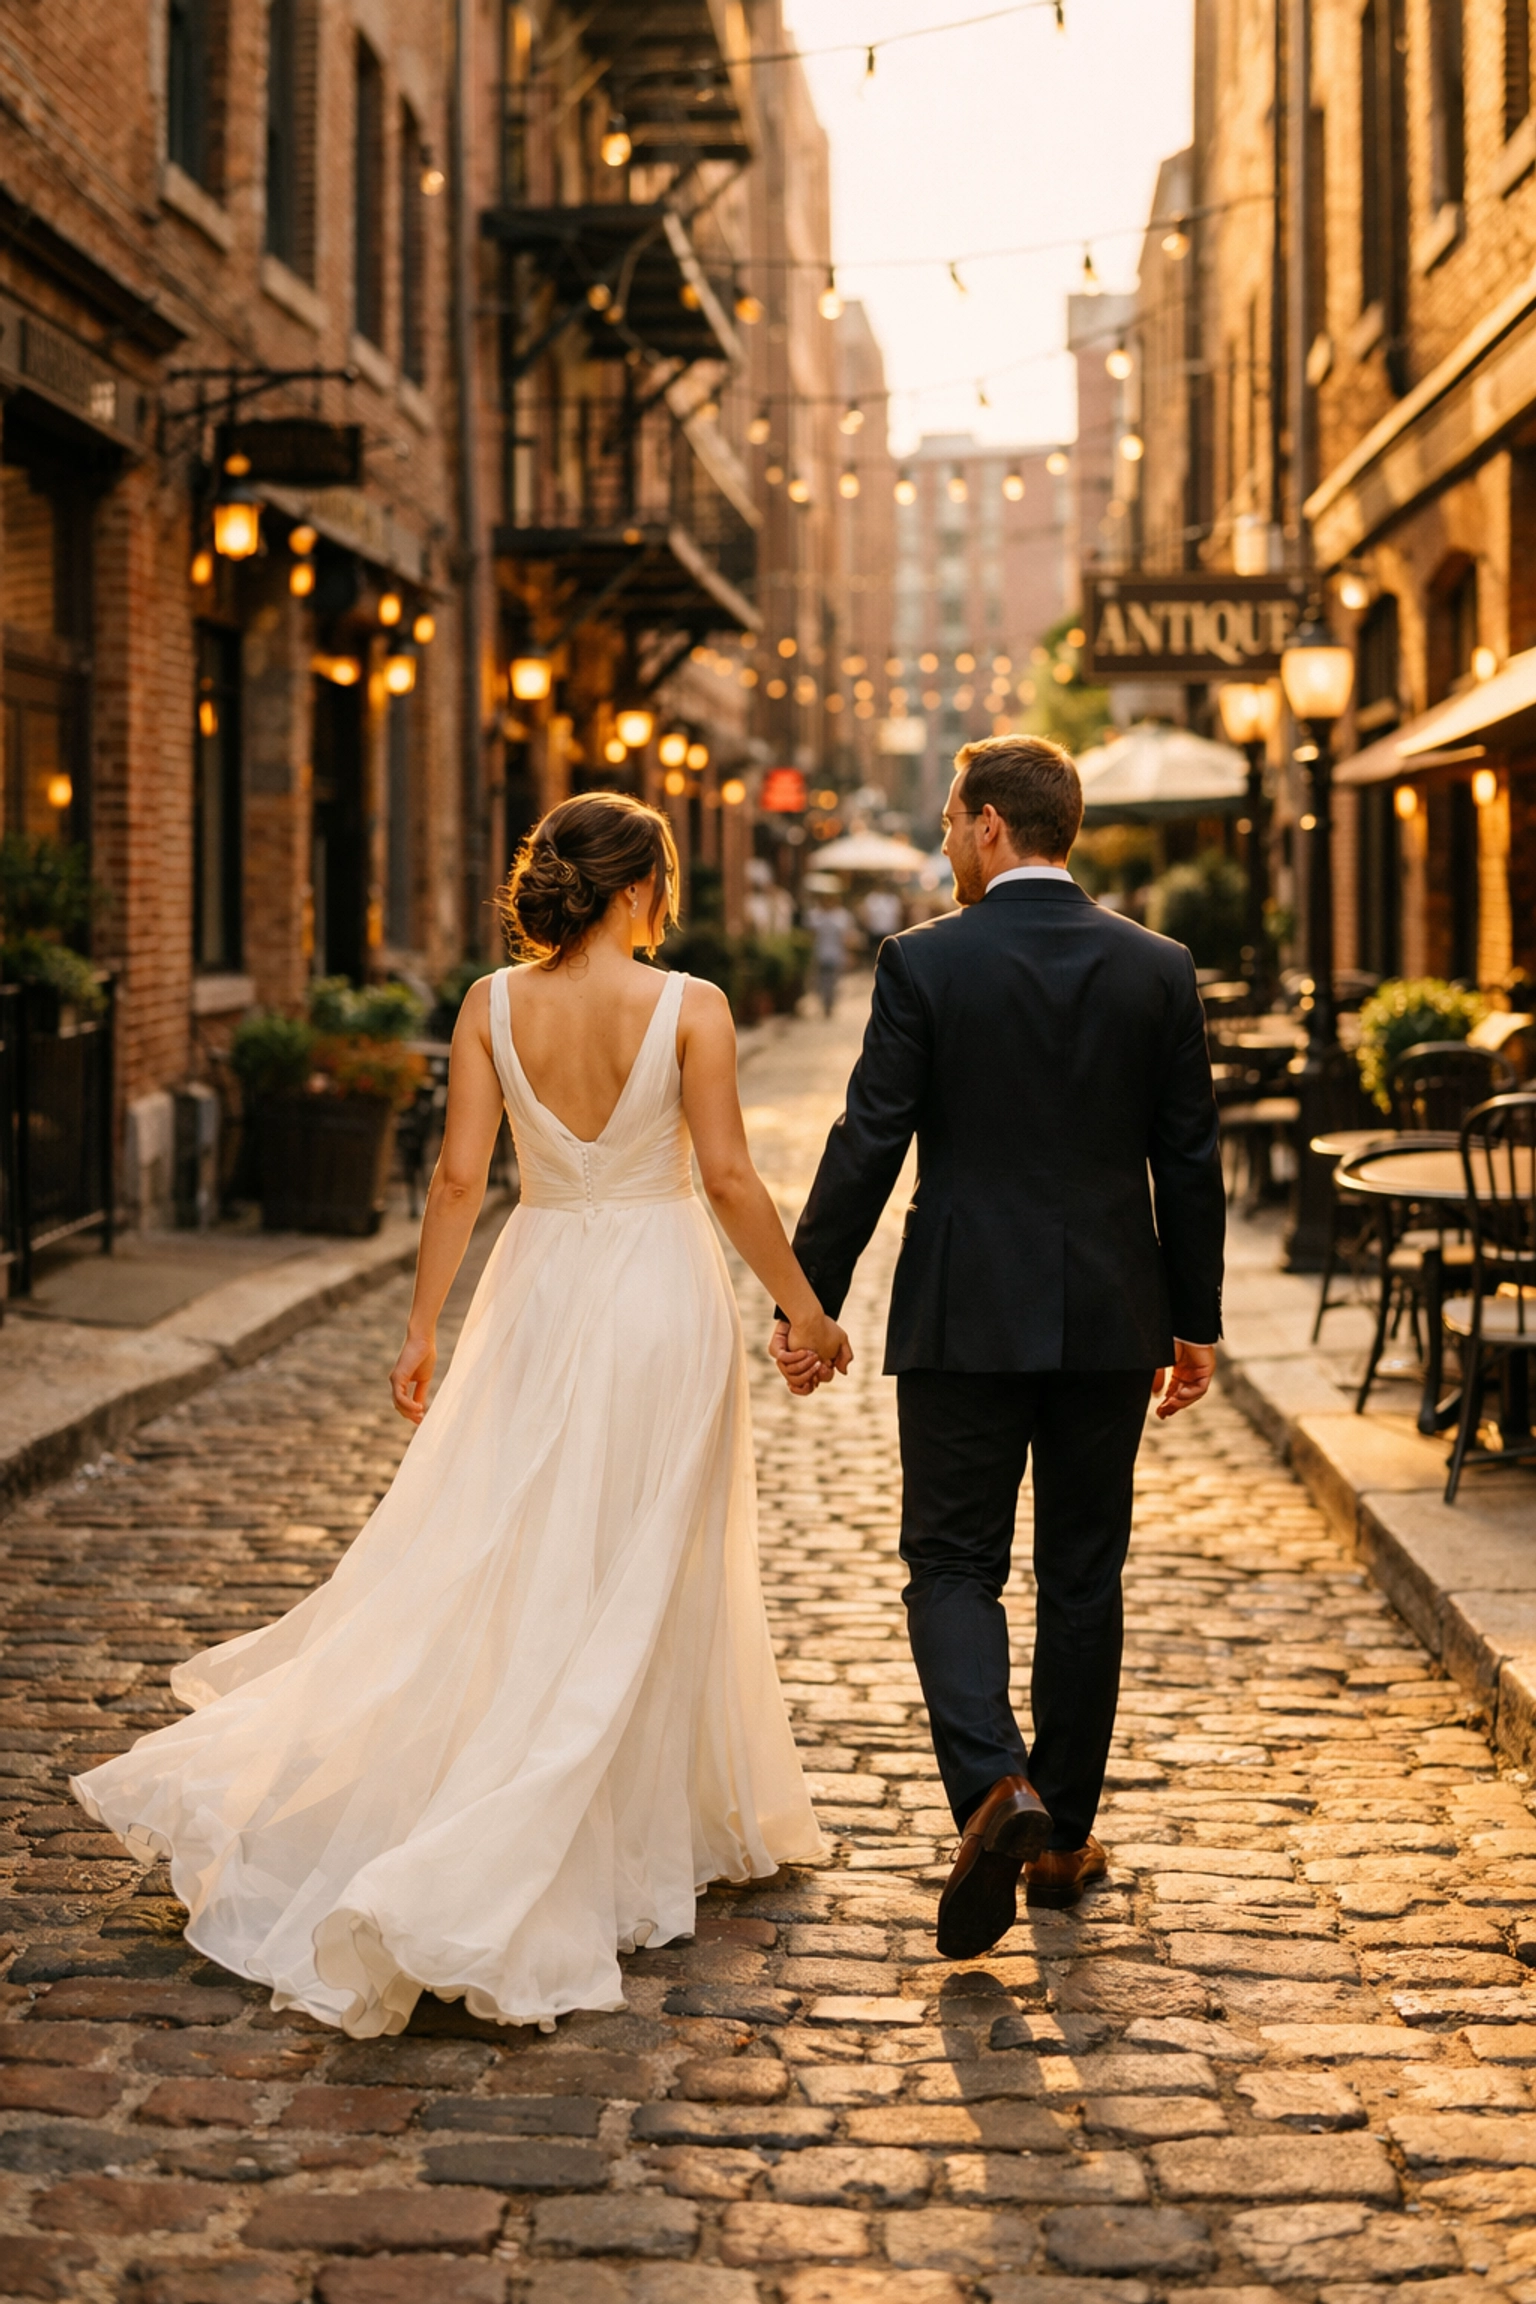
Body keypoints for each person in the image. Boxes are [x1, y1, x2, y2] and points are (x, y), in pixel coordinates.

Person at [72, 794, 847, 2038]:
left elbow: (456, 1179)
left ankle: (579, 1794)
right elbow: (726, 1177)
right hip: (659, 1291)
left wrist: (424, 1326)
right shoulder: (691, 1006)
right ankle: (615, 1820)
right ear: (640, 885)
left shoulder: (489, 1004)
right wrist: (804, 1308)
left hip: (535, 1288)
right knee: (649, 1550)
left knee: (521, 1532)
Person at [771, 735, 1224, 1957]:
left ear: (984, 825)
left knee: (954, 1565)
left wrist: (806, 1302)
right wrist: (1197, 1321)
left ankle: (994, 1789)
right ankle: (1063, 1837)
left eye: (946, 822)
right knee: (1085, 1573)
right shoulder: (1157, 968)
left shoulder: (925, 962)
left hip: (965, 1313)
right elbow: (1187, 1161)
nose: (940, 844)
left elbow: (870, 1140)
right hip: (1108, 1316)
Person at [809, 893, 855, 1018]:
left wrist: (849, 953)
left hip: (836, 954)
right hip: (820, 953)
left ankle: (830, 1004)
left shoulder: (841, 916)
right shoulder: (816, 915)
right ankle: (824, 1003)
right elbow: (811, 935)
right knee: (821, 981)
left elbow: (846, 937)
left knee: (833, 981)